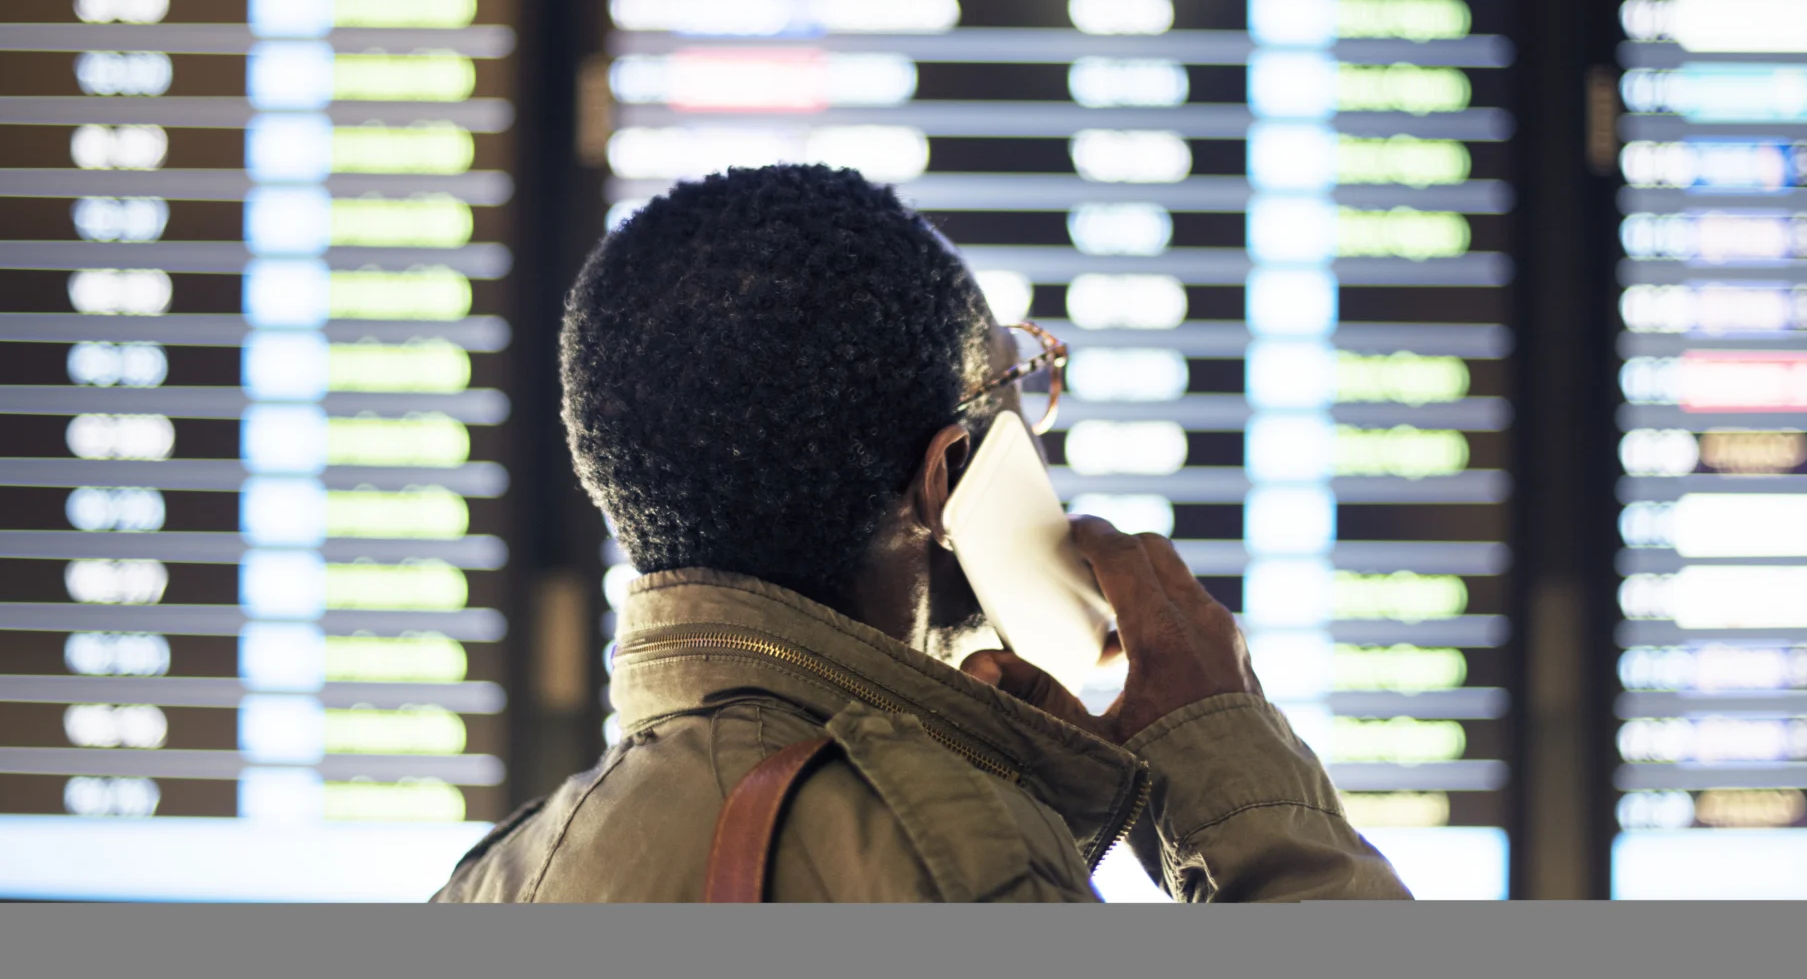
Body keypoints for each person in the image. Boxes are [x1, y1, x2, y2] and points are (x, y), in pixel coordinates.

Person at [434, 163, 1410, 902]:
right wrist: (1236, 787)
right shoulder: (962, 859)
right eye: (1018, 391)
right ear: (945, 477)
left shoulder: (491, 878)